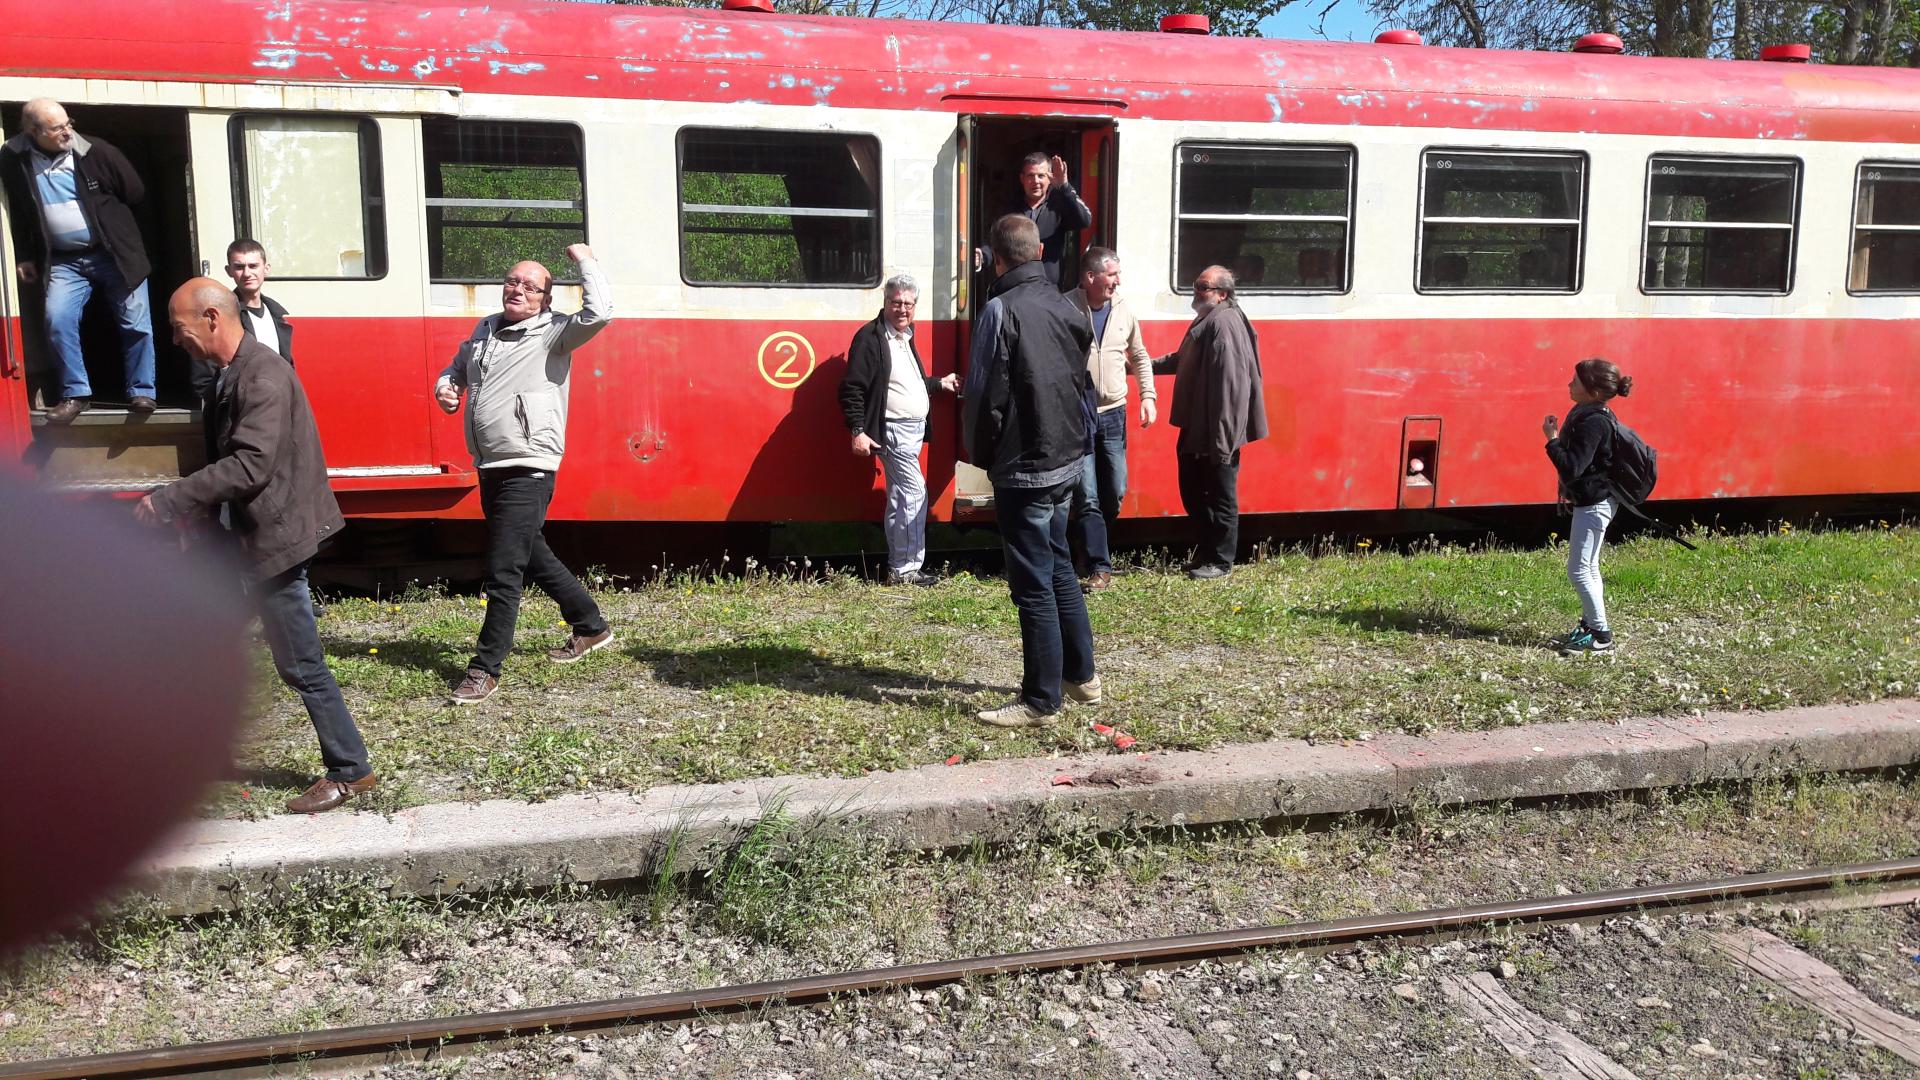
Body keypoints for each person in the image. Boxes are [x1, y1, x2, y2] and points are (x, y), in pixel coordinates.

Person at [133, 279, 375, 815]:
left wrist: (170, 500)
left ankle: (350, 770)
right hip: (247, 537)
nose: (176, 340)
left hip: (276, 541)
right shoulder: (232, 373)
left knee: (301, 663)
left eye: (179, 328)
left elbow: (250, 465)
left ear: (213, 319)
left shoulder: (262, 373)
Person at [435, 244, 614, 705]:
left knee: (503, 569)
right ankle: (591, 626)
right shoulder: (484, 330)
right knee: (530, 551)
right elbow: (456, 370)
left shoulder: (555, 333)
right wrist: (447, 388)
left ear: (545, 299)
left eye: (531, 286)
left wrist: (586, 263)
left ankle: (485, 668)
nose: (519, 289)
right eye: (514, 281)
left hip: (529, 462)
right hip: (491, 462)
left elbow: (601, 313)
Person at [963, 215, 1098, 727]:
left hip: (1024, 467)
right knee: (1060, 563)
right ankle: (1082, 676)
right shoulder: (1067, 304)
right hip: (1066, 458)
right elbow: (1079, 381)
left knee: (1033, 583)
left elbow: (982, 397)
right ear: (1038, 249)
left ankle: (1041, 700)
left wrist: (981, 456)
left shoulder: (1000, 310)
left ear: (997, 258)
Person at [0, 98, 156, 422]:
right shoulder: (14, 159)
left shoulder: (97, 151)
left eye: (68, 122)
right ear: (33, 131)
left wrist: (115, 230)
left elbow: (135, 191)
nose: (67, 131)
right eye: (58, 128)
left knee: (136, 323)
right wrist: (27, 255)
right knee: (57, 320)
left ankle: (143, 392)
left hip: (113, 254)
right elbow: (18, 210)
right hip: (63, 260)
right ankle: (75, 394)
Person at [839, 273, 960, 587]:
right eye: (896, 303)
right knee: (913, 493)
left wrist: (938, 384)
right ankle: (906, 570)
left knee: (901, 497)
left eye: (908, 303)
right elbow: (852, 389)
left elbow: (903, 383)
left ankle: (902, 567)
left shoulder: (904, 336)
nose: (902, 309)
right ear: (885, 303)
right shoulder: (870, 338)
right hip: (892, 431)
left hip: (913, 430)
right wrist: (857, 429)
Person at [1153, 266, 1268, 580]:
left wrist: (1222, 441)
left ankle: (1220, 561)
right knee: (1194, 490)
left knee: (1219, 493)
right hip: (1199, 426)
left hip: (1214, 430)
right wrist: (1142, 367)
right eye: (1196, 284)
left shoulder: (1224, 324)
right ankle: (1208, 553)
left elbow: (1230, 388)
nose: (1195, 290)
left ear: (1222, 294)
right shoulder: (1210, 318)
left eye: (1202, 286)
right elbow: (1183, 359)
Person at [1066, 246, 1155, 591]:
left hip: (1115, 413)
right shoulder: (1067, 306)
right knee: (1086, 494)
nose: (1118, 282)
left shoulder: (1124, 310)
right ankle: (1100, 566)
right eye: (1112, 275)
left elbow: (1140, 355)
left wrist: (1148, 396)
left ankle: (1085, 546)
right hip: (1081, 414)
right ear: (1091, 277)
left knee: (1113, 491)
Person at [1543, 357, 1634, 653]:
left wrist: (1552, 439)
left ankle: (1601, 636)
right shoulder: (1591, 412)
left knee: (1580, 570)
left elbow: (1572, 467)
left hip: (1595, 504)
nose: (1569, 383)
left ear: (1593, 392)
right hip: (1595, 500)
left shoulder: (1593, 421)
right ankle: (1589, 626)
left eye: (1576, 381)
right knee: (1589, 567)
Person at [191, 239, 293, 399]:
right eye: (239, 267)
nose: (247, 273)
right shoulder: (218, 318)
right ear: (229, 270)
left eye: (253, 266)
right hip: (241, 408)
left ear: (266, 269)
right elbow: (204, 379)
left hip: (278, 405)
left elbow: (288, 369)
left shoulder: (277, 317)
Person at [976, 151, 1092, 288]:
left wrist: (1064, 187)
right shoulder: (1010, 209)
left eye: (1041, 176)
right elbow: (995, 241)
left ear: (1050, 178)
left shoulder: (1059, 206)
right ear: (1022, 179)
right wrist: (982, 256)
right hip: (1014, 288)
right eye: (1030, 176)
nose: (1036, 181)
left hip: (1049, 289)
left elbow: (1085, 220)